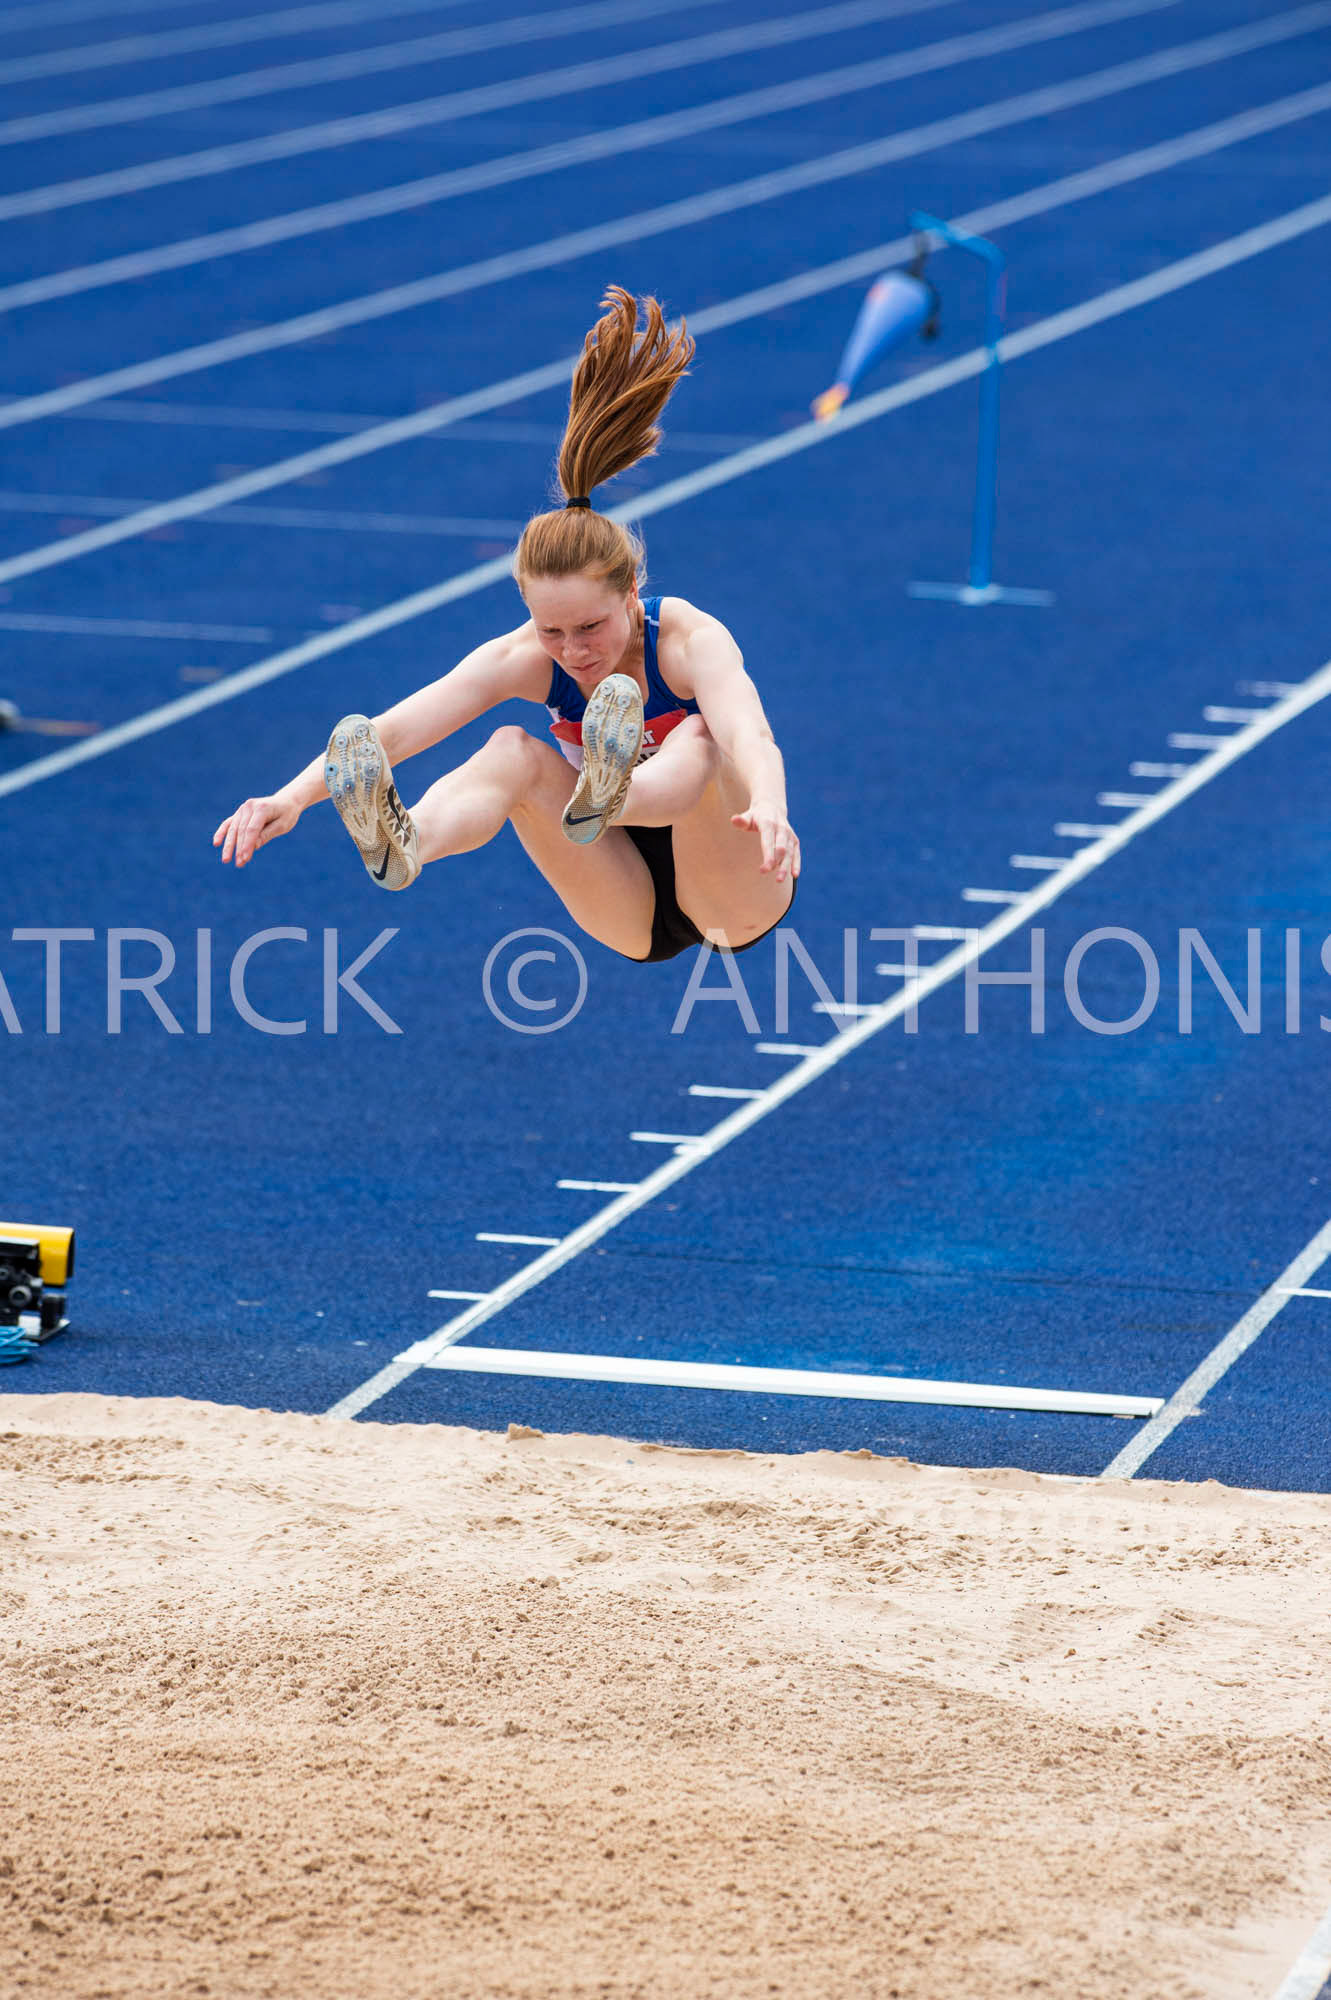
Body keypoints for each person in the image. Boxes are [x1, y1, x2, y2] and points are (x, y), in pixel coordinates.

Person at [214, 287, 799, 964]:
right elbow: (395, 732)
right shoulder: (527, 657)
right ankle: (409, 843)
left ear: (633, 593)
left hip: (731, 885)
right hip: (624, 901)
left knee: (697, 736)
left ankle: (615, 794)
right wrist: (289, 799)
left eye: (589, 627)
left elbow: (747, 730)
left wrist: (771, 804)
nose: (572, 652)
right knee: (508, 752)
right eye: (551, 632)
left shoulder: (688, 641)